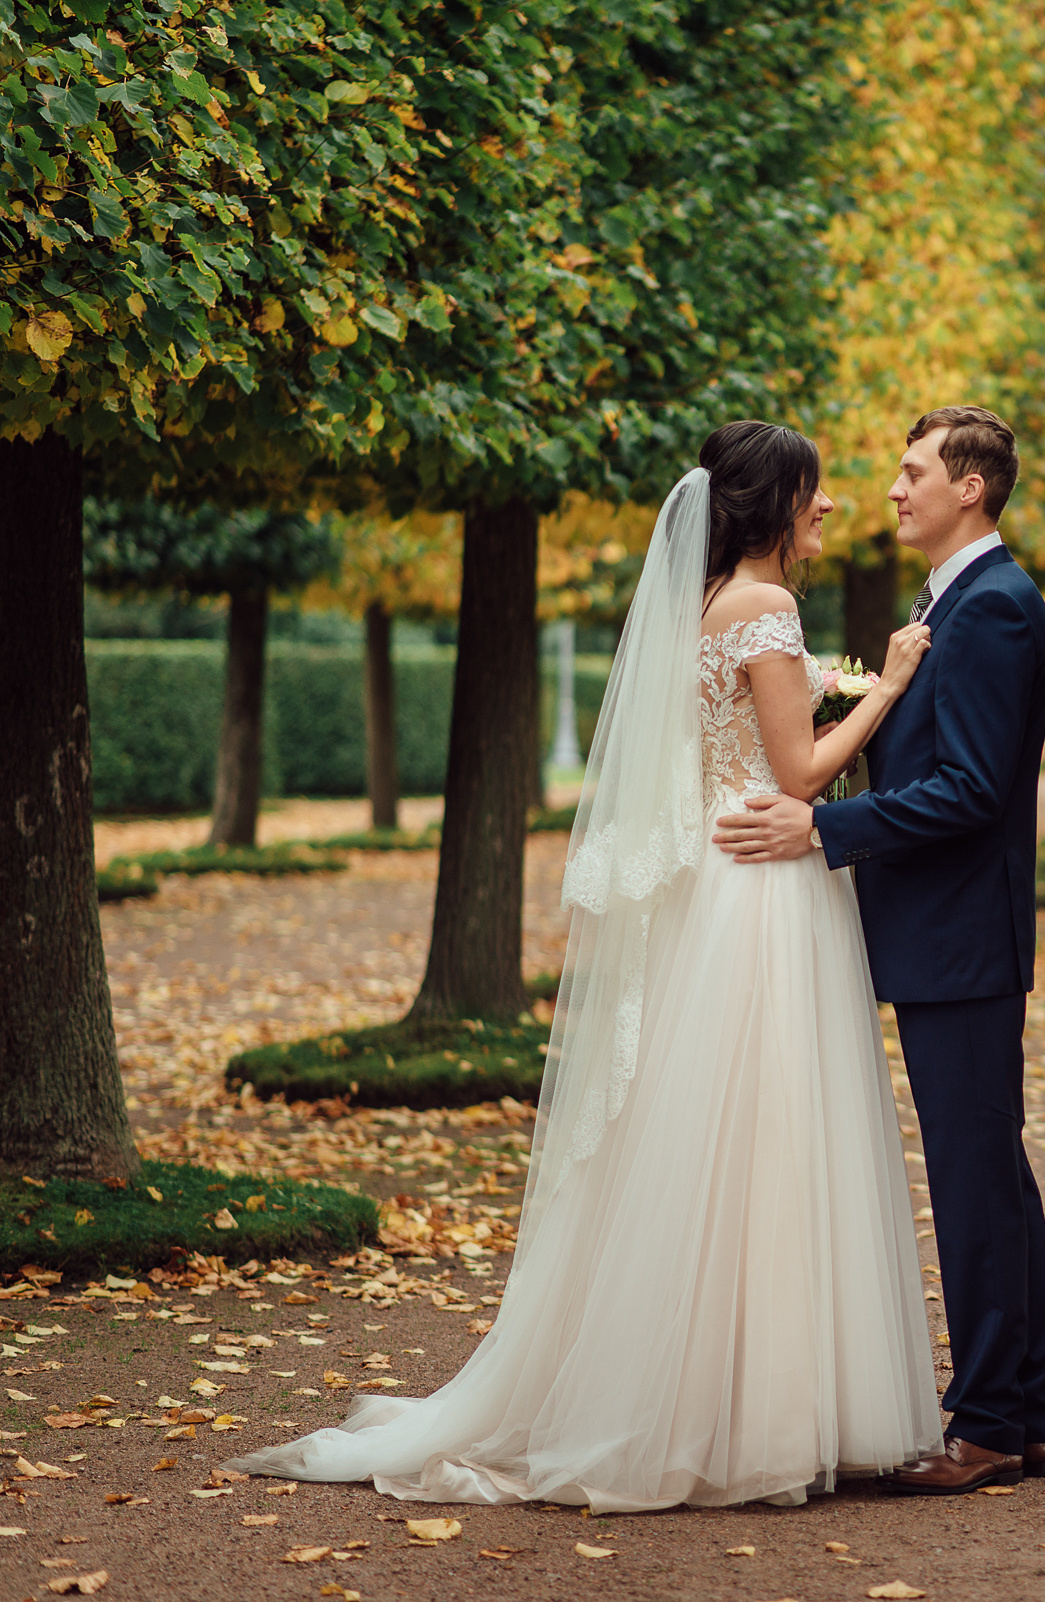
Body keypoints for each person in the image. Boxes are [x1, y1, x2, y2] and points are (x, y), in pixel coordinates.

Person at [223, 421, 943, 1509]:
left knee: (723, 1139)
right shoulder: (765, 608)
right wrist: (881, 691)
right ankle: (758, 1413)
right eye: (814, 491)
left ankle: (720, 1401)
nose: (831, 506)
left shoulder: (707, 609)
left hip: (722, 879)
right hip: (762, 891)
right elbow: (796, 773)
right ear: (768, 503)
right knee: (771, 1140)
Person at [712, 405, 1045, 1494]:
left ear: (972, 487)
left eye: (914, 473)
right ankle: (1032, 1411)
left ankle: (993, 1424)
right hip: (940, 932)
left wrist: (823, 826)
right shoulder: (951, 603)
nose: (894, 489)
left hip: (960, 937)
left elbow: (967, 791)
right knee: (987, 1171)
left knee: (973, 1179)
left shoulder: (996, 609)